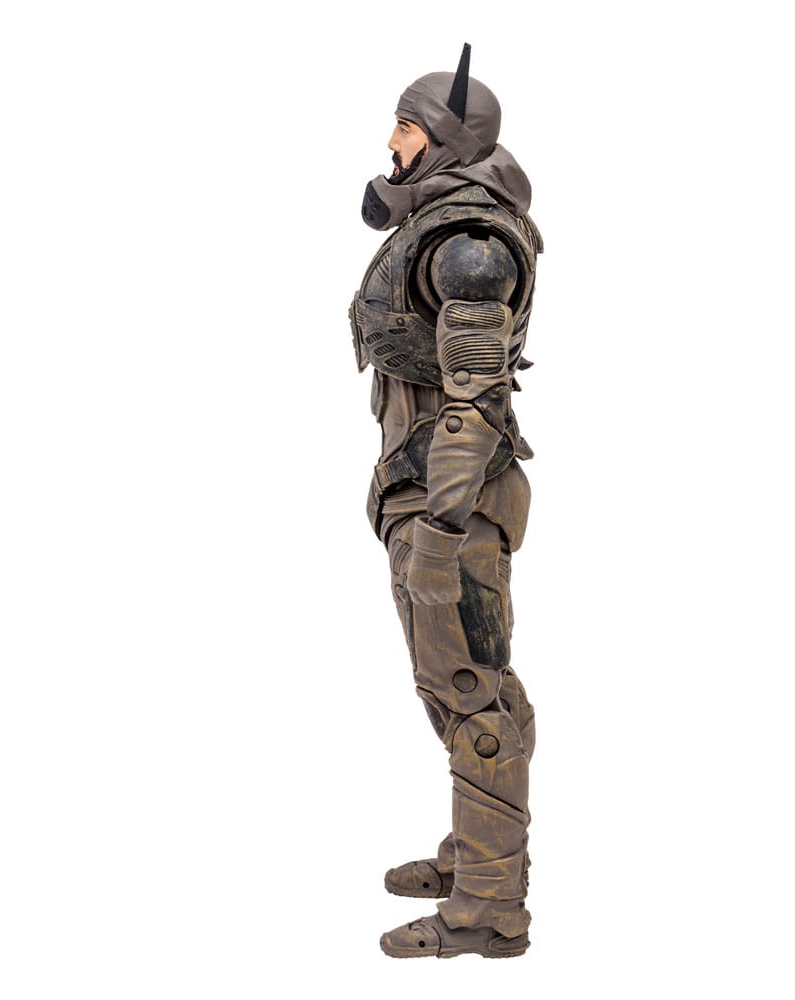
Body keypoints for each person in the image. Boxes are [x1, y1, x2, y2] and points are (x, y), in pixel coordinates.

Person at [349, 44, 543, 959]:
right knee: (474, 683)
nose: (391, 142)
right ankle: (479, 853)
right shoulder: (441, 227)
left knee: (469, 693)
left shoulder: (468, 246)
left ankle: (488, 909)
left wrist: (438, 527)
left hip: (450, 499)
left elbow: (476, 400)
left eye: (406, 126)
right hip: (429, 485)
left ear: (444, 140)